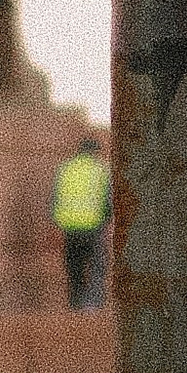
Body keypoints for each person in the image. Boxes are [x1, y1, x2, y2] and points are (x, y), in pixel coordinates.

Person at [51, 129, 110, 310]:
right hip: (93, 226)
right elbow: (108, 200)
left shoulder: (65, 168)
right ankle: (92, 305)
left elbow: (55, 198)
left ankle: (75, 304)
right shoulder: (101, 170)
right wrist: (107, 220)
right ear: (95, 151)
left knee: (74, 266)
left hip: (69, 227)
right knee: (97, 266)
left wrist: (58, 221)